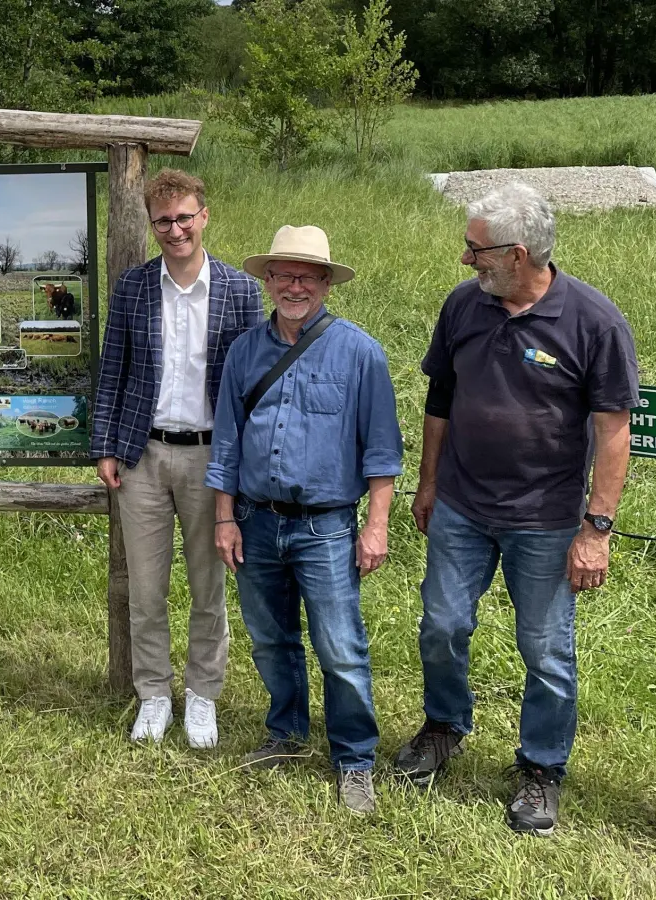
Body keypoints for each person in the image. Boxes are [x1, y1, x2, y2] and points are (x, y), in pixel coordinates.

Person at [392, 182, 638, 836]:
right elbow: (440, 398)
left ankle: (540, 768)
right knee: (441, 625)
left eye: (475, 249)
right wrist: (428, 481)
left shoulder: (595, 322)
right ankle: (444, 726)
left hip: (547, 519)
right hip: (462, 507)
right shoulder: (463, 308)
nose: (465, 260)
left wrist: (597, 529)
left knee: (545, 649)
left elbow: (615, 430)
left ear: (519, 254)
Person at [206, 226, 402, 815]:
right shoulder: (244, 351)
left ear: (324, 284)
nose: (295, 286)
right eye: (284, 275)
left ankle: (354, 760)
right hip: (256, 521)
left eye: (307, 276)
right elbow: (227, 443)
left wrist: (377, 524)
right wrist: (225, 519)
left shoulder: (360, 353)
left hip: (326, 526)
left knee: (340, 646)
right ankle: (286, 734)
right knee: (271, 640)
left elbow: (383, 450)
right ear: (268, 281)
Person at [91, 168, 263, 747]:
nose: (175, 229)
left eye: (184, 217)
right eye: (163, 220)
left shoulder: (239, 291)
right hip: (143, 452)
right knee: (145, 587)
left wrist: (242, 465)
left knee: (207, 583)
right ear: (152, 223)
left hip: (211, 455)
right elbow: (112, 369)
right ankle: (154, 695)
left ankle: (202, 696)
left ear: (204, 216)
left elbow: (252, 385)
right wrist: (107, 446)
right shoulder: (134, 287)